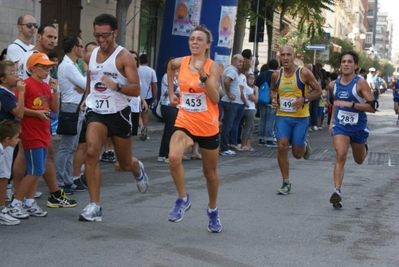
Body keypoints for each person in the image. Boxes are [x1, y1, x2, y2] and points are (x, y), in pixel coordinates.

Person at [78, 13, 148, 222]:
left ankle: (137, 168)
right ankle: (95, 206)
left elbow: (136, 89)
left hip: (119, 113)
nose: (101, 40)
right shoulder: (90, 56)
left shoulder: (123, 57)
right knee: (91, 152)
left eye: (105, 35)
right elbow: (91, 80)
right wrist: (87, 97)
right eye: (97, 35)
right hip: (97, 111)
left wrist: (116, 86)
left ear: (115, 32)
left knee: (124, 163)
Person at [166, 24, 222, 233]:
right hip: (186, 121)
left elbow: (215, 98)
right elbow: (169, 66)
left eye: (199, 39)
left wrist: (203, 77)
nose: (194, 42)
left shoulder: (212, 67)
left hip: (208, 126)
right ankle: (183, 198)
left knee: (210, 174)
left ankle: (213, 210)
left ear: (207, 45)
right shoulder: (181, 61)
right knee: (173, 157)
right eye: (192, 39)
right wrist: (171, 93)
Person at [15, 23, 77, 208]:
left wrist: (55, 92)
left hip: (42, 124)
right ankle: (19, 198)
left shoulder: (44, 77)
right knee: (28, 159)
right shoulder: (29, 59)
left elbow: (52, 105)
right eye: (49, 37)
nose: (53, 41)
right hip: (29, 124)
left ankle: (30, 199)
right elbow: (19, 88)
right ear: (39, 37)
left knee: (40, 159)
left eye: (55, 37)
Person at [8, 53, 58, 219]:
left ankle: (29, 202)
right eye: (43, 67)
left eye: (48, 67)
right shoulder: (26, 85)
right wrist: (36, 114)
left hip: (43, 133)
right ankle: (16, 203)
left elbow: (54, 108)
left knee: (37, 169)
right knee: (36, 170)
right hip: (31, 133)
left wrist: (55, 91)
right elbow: (18, 109)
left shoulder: (45, 86)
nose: (47, 70)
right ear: (33, 68)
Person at [326, 51, 376, 208]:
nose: (346, 64)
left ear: (355, 65)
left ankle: (364, 148)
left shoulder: (360, 83)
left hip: (358, 127)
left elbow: (372, 107)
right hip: (341, 126)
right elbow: (336, 103)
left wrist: (352, 104)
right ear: (340, 65)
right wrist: (332, 122)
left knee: (359, 160)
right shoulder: (333, 85)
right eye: (343, 61)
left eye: (349, 61)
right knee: (341, 154)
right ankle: (337, 192)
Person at [270, 45, 321, 195]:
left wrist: (304, 99)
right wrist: (274, 98)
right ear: (280, 57)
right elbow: (273, 89)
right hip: (283, 117)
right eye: (283, 55)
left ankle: (304, 146)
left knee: (298, 154)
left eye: (288, 55)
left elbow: (317, 90)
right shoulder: (276, 75)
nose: (285, 58)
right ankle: (286, 182)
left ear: (294, 57)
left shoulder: (303, 73)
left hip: (301, 118)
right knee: (282, 146)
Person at [54, 35, 87, 193]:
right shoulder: (68, 65)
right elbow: (86, 84)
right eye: (81, 46)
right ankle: (60, 181)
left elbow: (85, 85)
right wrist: (86, 82)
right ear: (75, 48)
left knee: (71, 147)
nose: (82, 49)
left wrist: (85, 86)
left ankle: (67, 180)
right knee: (66, 147)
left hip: (75, 107)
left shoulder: (72, 64)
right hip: (70, 107)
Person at [0, 59, 26, 225]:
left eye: (17, 72)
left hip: (8, 138)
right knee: (3, 175)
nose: (17, 76)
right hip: (5, 138)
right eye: (12, 73)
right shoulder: (4, 93)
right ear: (3, 79)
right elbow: (19, 113)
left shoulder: (8, 93)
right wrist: (22, 93)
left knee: (4, 174)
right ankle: (2, 208)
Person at [219, 54, 244, 156]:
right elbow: (226, 81)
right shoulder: (232, 71)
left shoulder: (229, 69)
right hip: (230, 102)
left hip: (229, 101)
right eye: (239, 61)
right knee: (227, 125)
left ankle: (224, 146)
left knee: (227, 125)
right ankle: (224, 148)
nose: (241, 63)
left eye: (242, 61)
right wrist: (229, 94)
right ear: (234, 61)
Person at [255, 59, 279, 147]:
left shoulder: (261, 75)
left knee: (262, 120)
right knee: (270, 120)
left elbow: (256, 85)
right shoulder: (276, 75)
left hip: (261, 100)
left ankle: (261, 139)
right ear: (277, 66)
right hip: (271, 100)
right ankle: (269, 139)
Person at [138, 54, 158, 141]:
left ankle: (141, 127)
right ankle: (144, 130)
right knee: (145, 113)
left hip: (136, 94)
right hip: (147, 95)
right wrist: (155, 98)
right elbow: (154, 85)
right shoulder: (151, 71)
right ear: (148, 61)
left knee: (137, 113)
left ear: (139, 61)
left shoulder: (136, 70)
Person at [240, 73, 258, 151]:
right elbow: (255, 99)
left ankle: (248, 144)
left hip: (252, 108)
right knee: (248, 127)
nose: (252, 80)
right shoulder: (248, 88)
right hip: (248, 109)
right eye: (250, 78)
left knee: (251, 127)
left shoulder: (250, 88)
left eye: (253, 78)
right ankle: (244, 144)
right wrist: (256, 91)